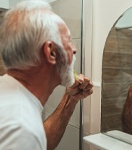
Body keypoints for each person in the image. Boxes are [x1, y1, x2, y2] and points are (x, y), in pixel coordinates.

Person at [0, 1, 93, 150]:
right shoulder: (20, 128)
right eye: (69, 40)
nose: (74, 49)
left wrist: (70, 99)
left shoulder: (8, 94)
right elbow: (27, 136)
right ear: (51, 52)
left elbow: (40, 142)